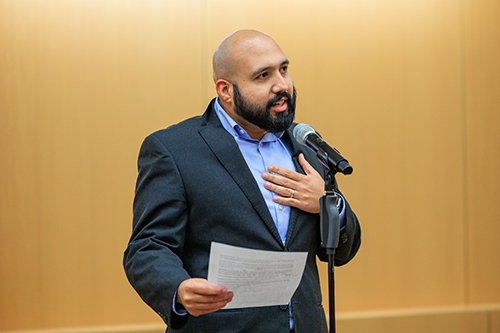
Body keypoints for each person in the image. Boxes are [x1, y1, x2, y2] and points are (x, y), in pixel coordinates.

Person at [123, 29, 361, 333]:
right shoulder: (174, 150)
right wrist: (178, 289)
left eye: (283, 69)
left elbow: (343, 252)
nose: (282, 85)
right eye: (263, 76)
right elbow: (147, 247)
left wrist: (328, 205)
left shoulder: (307, 147)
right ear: (225, 89)